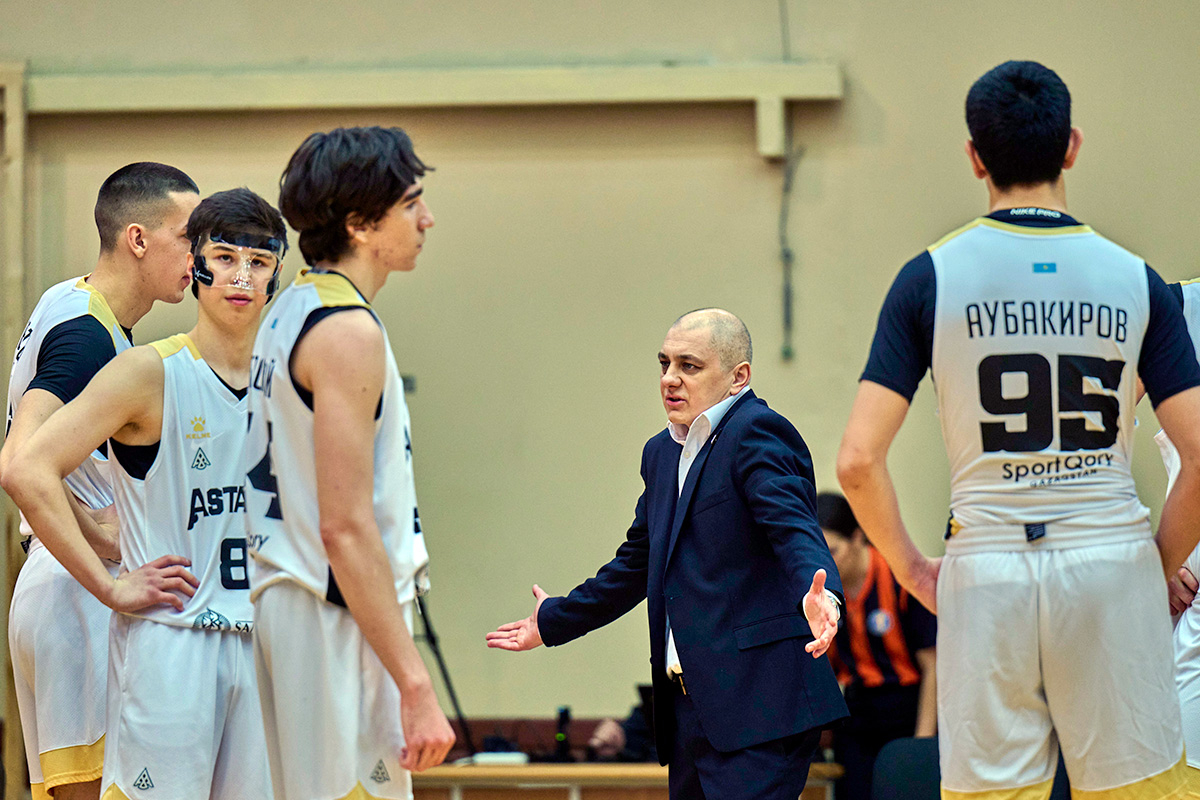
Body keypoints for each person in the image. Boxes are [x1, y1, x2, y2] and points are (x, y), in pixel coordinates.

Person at [836, 60, 1200, 799]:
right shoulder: (1136, 279)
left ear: (975, 157)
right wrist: (1152, 567)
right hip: (1108, 563)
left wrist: (913, 572)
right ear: (1072, 146)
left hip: (988, 570)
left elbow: (857, 462)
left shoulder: (928, 278)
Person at [487, 308, 848, 800]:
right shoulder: (661, 452)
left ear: (738, 376)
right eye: (664, 364)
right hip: (688, 710)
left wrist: (824, 594)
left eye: (689, 366)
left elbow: (794, 528)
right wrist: (554, 620)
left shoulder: (758, 432)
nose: (669, 379)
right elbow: (637, 563)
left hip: (759, 706)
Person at [5, 188, 288, 799]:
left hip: (247, 634)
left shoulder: (287, 382)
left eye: (259, 261)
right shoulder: (106, 345)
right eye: (218, 254)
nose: (240, 275)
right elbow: (22, 465)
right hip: (121, 608)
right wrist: (106, 560)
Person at [245, 126, 455, 800]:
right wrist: (415, 683)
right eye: (411, 203)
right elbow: (344, 525)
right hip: (330, 613)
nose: (427, 219)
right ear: (361, 224)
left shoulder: (289, 309)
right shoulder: (346, 331)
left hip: (293, 604)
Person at [0, 162, 199, 800]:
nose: (198, 256)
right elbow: (19, 461)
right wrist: (107, 562)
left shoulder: (72, 303)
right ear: (137, 238)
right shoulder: (88, 336)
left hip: (57, 587)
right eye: (187, 237)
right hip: (77, 596)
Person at [817, 492, 935, 800]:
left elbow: (934, 665)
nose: (827, 562)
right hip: (857, 711)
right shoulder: (822, 592)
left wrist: (922, 741)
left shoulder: (901, 577)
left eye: (834, 551)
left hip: (906, 706)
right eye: (819, 553)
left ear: (857, 537)